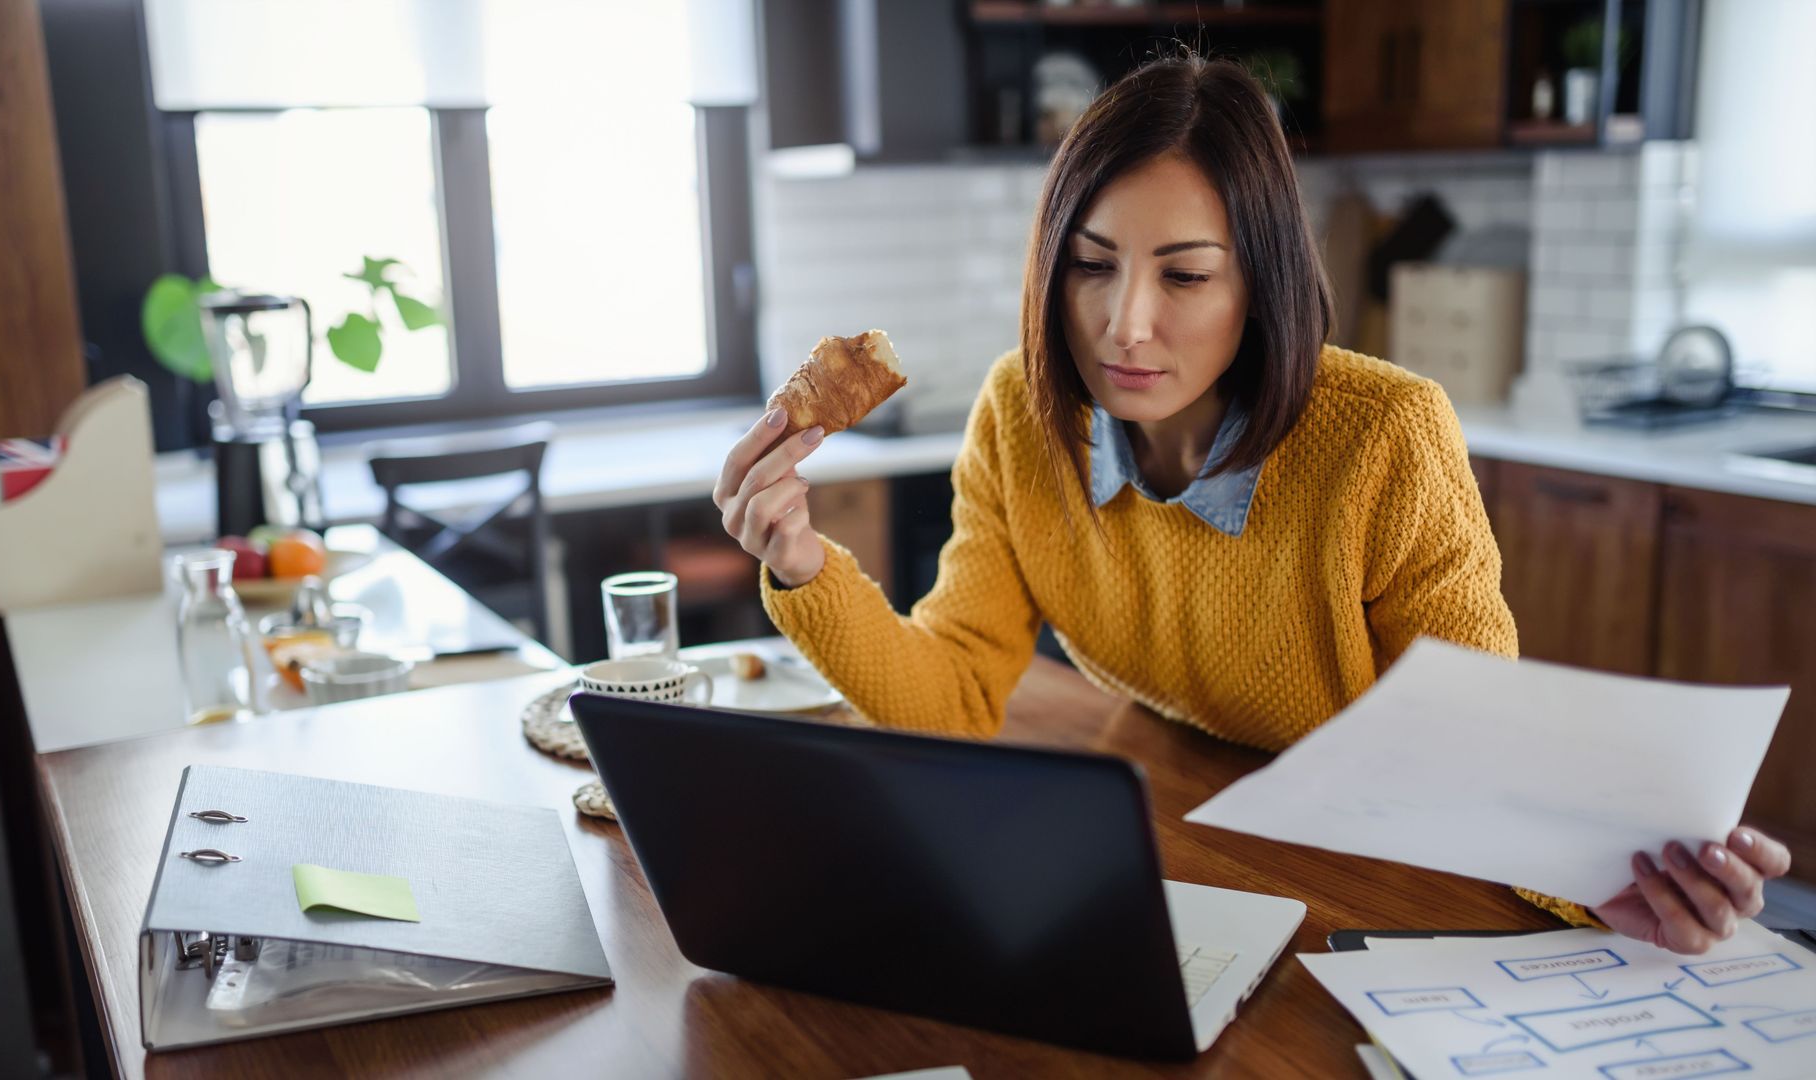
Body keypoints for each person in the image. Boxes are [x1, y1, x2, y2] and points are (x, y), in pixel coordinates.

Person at [712, 54, 1788, 954]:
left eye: (1184, 277)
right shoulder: (1020, 412)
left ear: (1258, 282)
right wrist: (804, 570)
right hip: (1187, 828)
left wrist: (1597, 880)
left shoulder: (1384, 438)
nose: (1126, 326)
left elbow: (1477, 749)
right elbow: (951, 697)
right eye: (1091, 266)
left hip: (1367, 865)